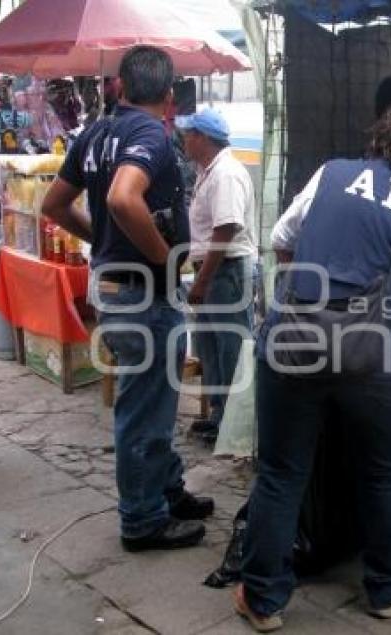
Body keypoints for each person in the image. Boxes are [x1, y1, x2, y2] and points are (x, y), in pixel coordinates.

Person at [235, 99, 391, 632]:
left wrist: (316, 289)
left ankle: (263, 601)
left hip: (295, 344)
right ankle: (386, 590)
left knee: (282, 473)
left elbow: (282, 240)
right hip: (379, 362)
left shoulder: (331, 175)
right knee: (384, 472)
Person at [41, 46, 214, 552]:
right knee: (144, 410)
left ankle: (166, 489)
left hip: (120, 290)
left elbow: (55, 205)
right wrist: (163, 258)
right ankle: (142, 520)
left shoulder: (94, 134)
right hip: (143, 295)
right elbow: (122, 197)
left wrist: (101, 239)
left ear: (119, 84)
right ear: (168, 96)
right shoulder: (148, 134)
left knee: (155, 402)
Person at [176, 108, 256, 441]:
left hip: (227, 272)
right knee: (212, 348)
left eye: (188, 134)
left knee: (231, 349)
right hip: (216, 271)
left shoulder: (225, 173)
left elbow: (226, 229)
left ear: (201, 138)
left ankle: (236, 427)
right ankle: (222, 416)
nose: (183, 140)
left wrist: (203, 281)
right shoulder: (207, 171)